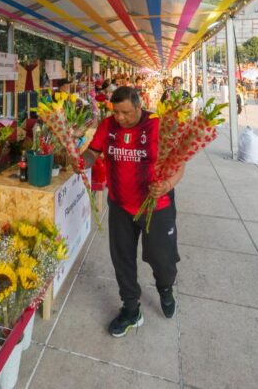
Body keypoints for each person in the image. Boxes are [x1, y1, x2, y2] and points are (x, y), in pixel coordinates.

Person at [82, 87, 182, 337]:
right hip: (120, 205)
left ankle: (165, 288)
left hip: (156, 206)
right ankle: (131, 309)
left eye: (126, 112)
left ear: (140, 106)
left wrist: (167, 184)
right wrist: (83, 161)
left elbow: (179, 164)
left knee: (161, 257)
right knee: (122, 259)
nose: (121, 118)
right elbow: (93, 152)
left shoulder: (158, 126)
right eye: (116, 112)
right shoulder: (108, 125)